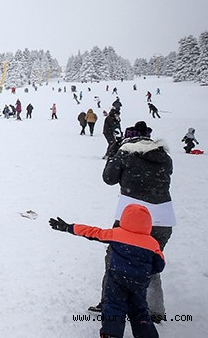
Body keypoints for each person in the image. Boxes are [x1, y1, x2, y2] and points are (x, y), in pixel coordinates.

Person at [91, 121, 174, 322]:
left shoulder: (125, 153)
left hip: (131, 218)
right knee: (149, 260)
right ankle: (155, 310)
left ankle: (109, 302)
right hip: (161, 218)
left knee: (115, 259)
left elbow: (109, 178)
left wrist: (113, 155)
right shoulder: (164, 157)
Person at [49, 204, 164, 338]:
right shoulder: (152, 243)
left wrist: (69, 227)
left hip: (117, 277)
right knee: (139, 309)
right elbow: (159, 265)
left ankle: (111, 333)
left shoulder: (116, 234)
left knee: (114, 305)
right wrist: (144, 272)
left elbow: (93, 232)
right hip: (139, 281)